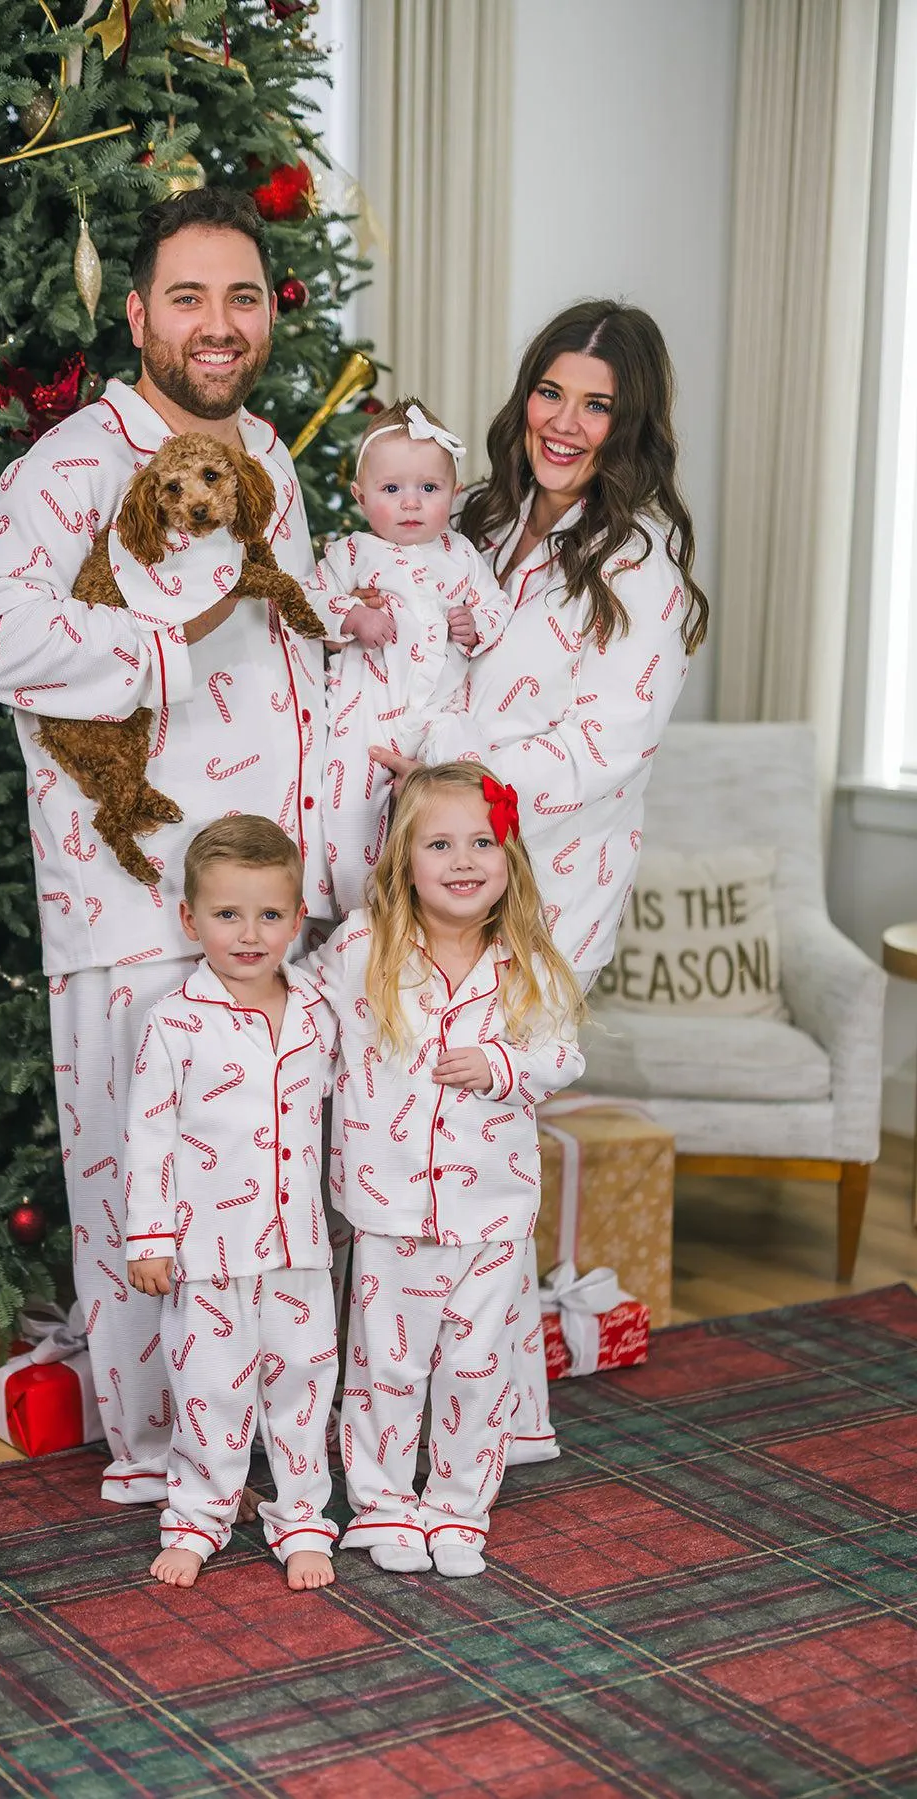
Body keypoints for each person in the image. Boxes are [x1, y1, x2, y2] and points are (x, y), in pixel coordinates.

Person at [0, 188, 338, 1507]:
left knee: (271, 1196)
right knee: (144, 1203)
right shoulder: (70, 465)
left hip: (274, 909)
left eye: (242, 296)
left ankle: (267, 1443)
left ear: (269, 311)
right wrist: (155, 647)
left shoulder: (271, 456)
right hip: (132, 904)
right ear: (137, 313)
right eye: (188, 297)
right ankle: (162, 1456)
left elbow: (290, 655)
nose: (217, 324)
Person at [370, 300, 710, 1467]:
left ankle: (489, 1421)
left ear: (632, 423)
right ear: (526, 396)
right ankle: (411, 1406)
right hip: (434, 861)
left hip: (546, 887)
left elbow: (600, 748)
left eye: (598, 403)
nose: (566, 421)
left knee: (483, 1159)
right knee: (407, 1127)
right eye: (552, 392)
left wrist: (448, 764)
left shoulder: (644, 565)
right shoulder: (478, 518)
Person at [306, 764, 584, 1577]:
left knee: (474, 1364)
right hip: (392, 1207)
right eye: (439, 843)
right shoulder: (365, 946)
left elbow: (563, 1052)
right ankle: (383, 1503)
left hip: (494, 1211)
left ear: (509, 857)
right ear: (404, 858)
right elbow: (304, 1015)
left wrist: (502, 1064)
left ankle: (458, 1507)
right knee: (387, 1364)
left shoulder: (527, 956)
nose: (463, 860)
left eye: (481, 842)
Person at [125, 817, 339, 1592]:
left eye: (270, 915)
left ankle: (304, 1517)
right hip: (207, 1249)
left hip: (300, 1248)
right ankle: (198, 1516)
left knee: (304, 1384)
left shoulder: (318, 1010)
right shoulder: (174, 1023)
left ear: (296, 919)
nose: (250, 934)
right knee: (210, 1388)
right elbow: (148, 1137)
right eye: (227, 915)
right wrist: (148, 1237)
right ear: (190, 919)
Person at [312, 397, 513, 914]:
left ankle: (445, 900)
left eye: (429, 489)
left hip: (439, 714)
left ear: (454, 493)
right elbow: (307, 604)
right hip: (367, 720)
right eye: (391, 489)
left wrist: (476, 626)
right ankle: (360, 914)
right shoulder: (350, 554)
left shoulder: (462, 554)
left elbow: (496, 606)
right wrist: (350, 617)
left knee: (461, 783)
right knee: (350, 813)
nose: (410, 503)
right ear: (360, 496)